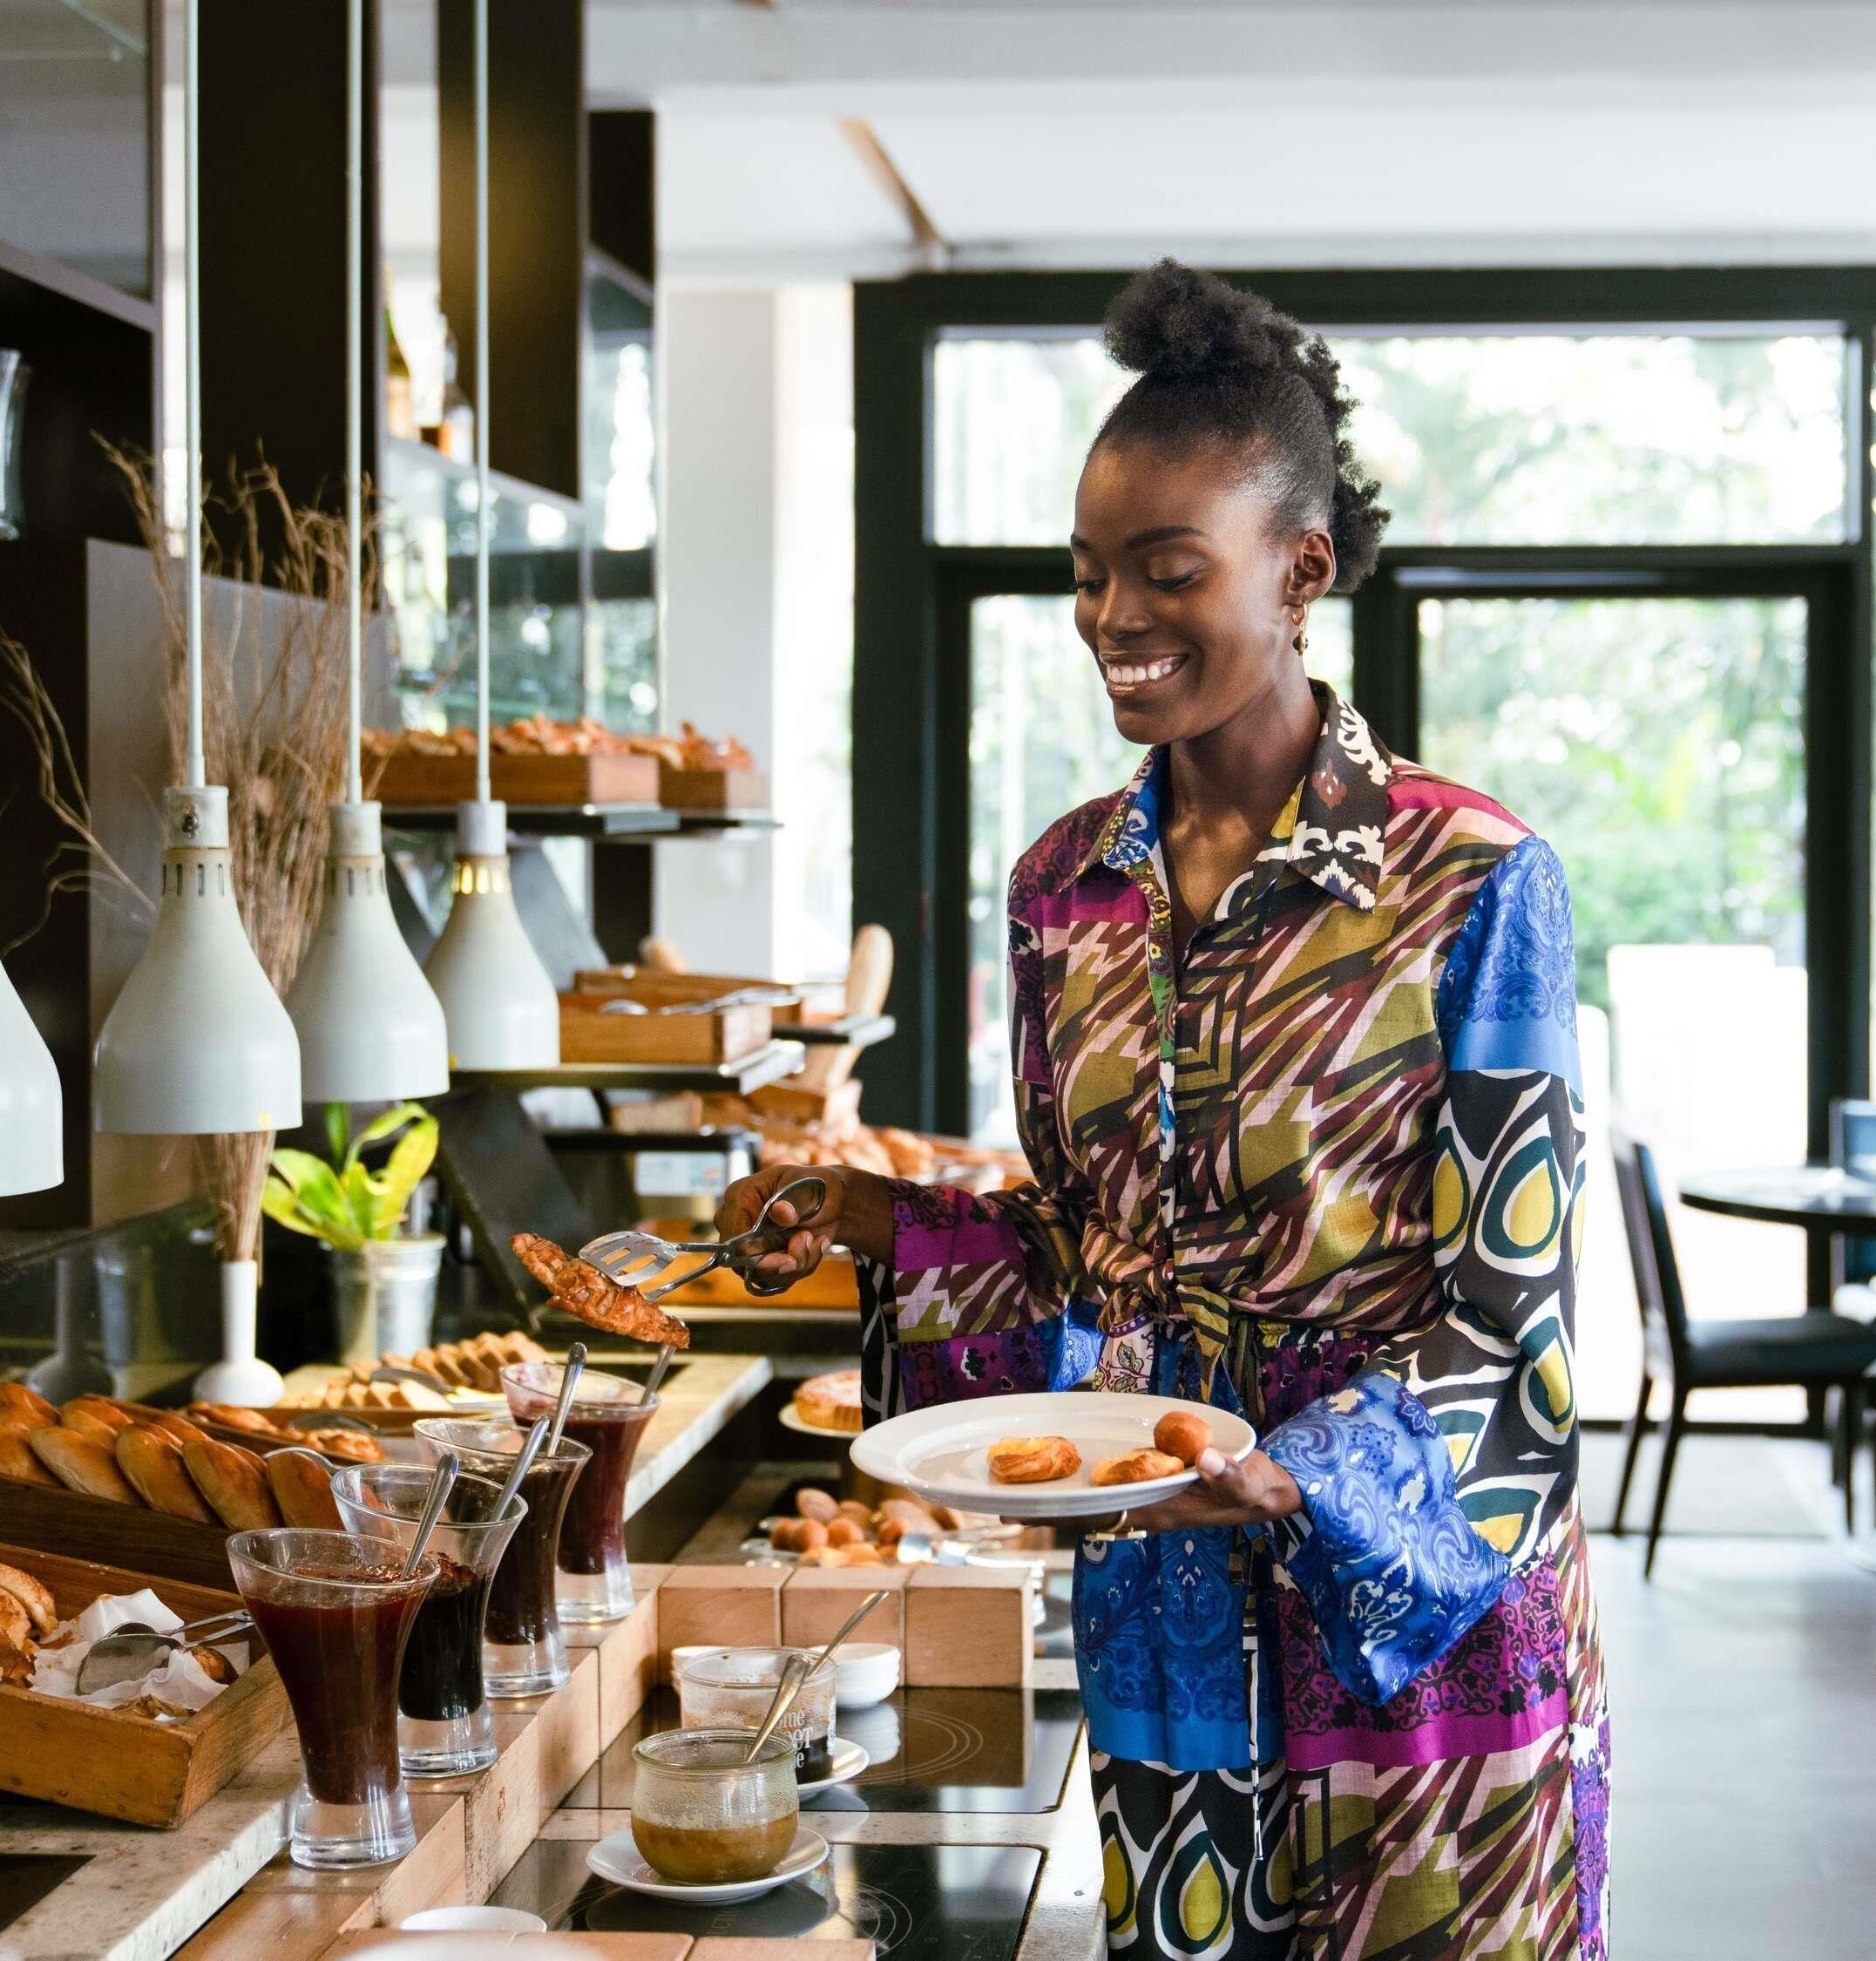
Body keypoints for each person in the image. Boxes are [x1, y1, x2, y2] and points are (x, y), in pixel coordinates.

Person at [717, 261, 1606, 1961]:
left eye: (1167, 570)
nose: (1113, 615)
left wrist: (1298, 1476)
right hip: (1169, 1603)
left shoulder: (1473, 878)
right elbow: (1082, 1247)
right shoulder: (1065, 886)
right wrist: (875, 1223)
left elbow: (1516, 1326)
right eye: (1088, 571)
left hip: (1408, 1627)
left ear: (1303, 571)